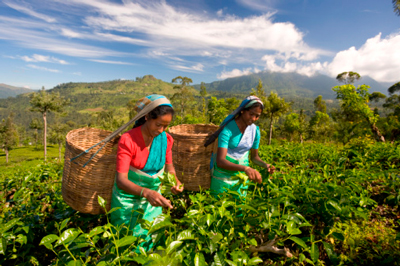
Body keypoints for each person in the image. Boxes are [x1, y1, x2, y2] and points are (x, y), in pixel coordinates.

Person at [110, 94, 183, 251]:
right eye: (158, 125)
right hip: (126, 203)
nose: (161, 130)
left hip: (152, 203)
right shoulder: (128, 140)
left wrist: (175, 182)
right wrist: (146, 192)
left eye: (165, 126)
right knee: (127, 248)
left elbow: (170, 169)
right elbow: (121, 180)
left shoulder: (166, 139)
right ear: (147, 117)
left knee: (152, 243)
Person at [206, 96, 275, 197]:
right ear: (242, 111)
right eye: (251, 114)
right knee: (218, 208)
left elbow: (254, 157)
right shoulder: (227, 130)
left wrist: (266, 165)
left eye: (257, 116)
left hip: (241, 178)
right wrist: (246, 169)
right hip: (223, 177)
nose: (253, 118)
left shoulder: (255, 131)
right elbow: (220, 161)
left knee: (238, 208)